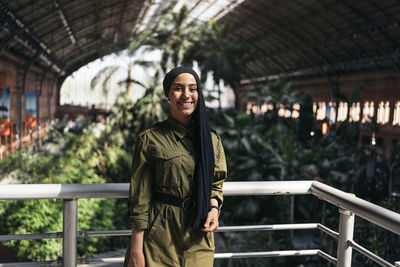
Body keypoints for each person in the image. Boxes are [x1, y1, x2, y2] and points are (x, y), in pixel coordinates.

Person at [124, 66, 227, 267]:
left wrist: (214, 208)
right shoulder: (150, 139)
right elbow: (140, 198)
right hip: (160, 237)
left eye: (193, 88)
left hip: (199, 235)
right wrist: (136, 249)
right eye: (178, 88)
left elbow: (216, 183)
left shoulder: (211, 139)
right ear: (168, 94)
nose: (186, 95)